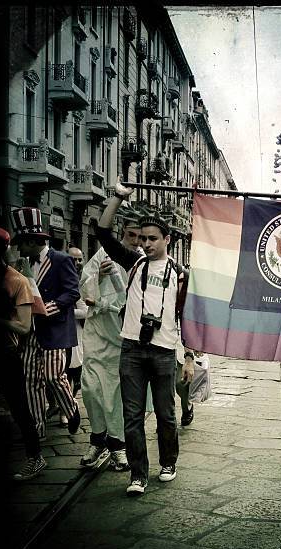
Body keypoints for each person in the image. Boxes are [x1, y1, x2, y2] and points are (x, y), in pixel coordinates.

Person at [97, 179, 196, 496]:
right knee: (132, 416)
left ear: (167, 239)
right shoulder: (134, 262)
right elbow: (103, 233)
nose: (147, 244)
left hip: (165, 351)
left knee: (166, 415)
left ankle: (169, 463)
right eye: (143, 239)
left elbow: (187, 319)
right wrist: (117, 197)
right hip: (132, 350)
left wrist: (190, 357)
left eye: (154, 239)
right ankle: (138, 475)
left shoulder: (180, 275)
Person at [78, 218, 143, 471]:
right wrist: (98, 276)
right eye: (131, 235)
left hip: (120, 335)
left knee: (114, 394)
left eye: (140, 236)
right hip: (97, 330)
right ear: (121, 233)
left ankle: (117, 445)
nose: (136, 241)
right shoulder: (102, 255)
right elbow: (85, 288)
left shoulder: (139, 261)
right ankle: (97, 439)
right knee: (91, 388)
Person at [12, 207, 81, 438]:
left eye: (21, 243)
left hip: (55, 328)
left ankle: (71, 409)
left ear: (31, 241)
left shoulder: (61, 260)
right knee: (31, 380)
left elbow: (72, 293)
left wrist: (45, 309)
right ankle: (37, 431)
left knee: (53, 376)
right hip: (30, 331)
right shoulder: (23, 264)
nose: (18, 248)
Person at [0, 227, 47, 480]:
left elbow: (24, 327)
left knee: (19, 407)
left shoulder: (17, 281)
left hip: (4, 352)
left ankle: (35, 457)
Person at [66, 247, 87, 404]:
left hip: (77, 330)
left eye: (80, 259)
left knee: (74, 369)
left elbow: (85, 311)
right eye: (74, 259)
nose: (77, 263)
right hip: (60, 330)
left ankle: (69, 403)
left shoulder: (84, 279)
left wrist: (64, 312)